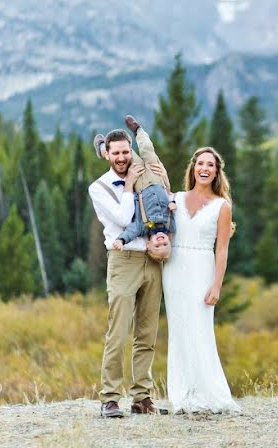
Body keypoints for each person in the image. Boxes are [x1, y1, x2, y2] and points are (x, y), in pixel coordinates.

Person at [87, 129, 170, 418]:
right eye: (116, 153)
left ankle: (141, 397)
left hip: (152, 260)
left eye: (126, 152)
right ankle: (109, 397)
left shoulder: (143, 171)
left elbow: (163, 203)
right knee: (118, 331)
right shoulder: (100, 187)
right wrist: (129, 184)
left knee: (147, 333)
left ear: (130, 151)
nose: (122, 158)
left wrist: (163, 179)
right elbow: (124, 219)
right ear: (107, 155)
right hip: (123, 261)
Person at [161, 146, 241, 414]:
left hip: (202, 268)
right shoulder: (177, 198)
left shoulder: (222, 206)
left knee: (200, 328)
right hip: (173, 269)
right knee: (179, 329)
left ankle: (211, 393)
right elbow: (166, 234)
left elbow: (222, 249)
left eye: (210, 165)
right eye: (201, 164)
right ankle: (183, 394)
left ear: (217, 172)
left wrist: (217, 284)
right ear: (193, 168)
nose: (205, 169)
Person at [100, 116, 176, 254]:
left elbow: (131, 230)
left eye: (157, 246)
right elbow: (172, 200)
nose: (161, 241)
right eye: (165, 244)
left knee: (128, 156)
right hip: (158, 178)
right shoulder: (171, 226)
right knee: (148, 150)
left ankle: (102, 147)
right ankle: (138, 130)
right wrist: (172, 201)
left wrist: (121, 240)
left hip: (141, 183)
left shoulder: (143, 227)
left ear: (148, 244)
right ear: (169, 240)